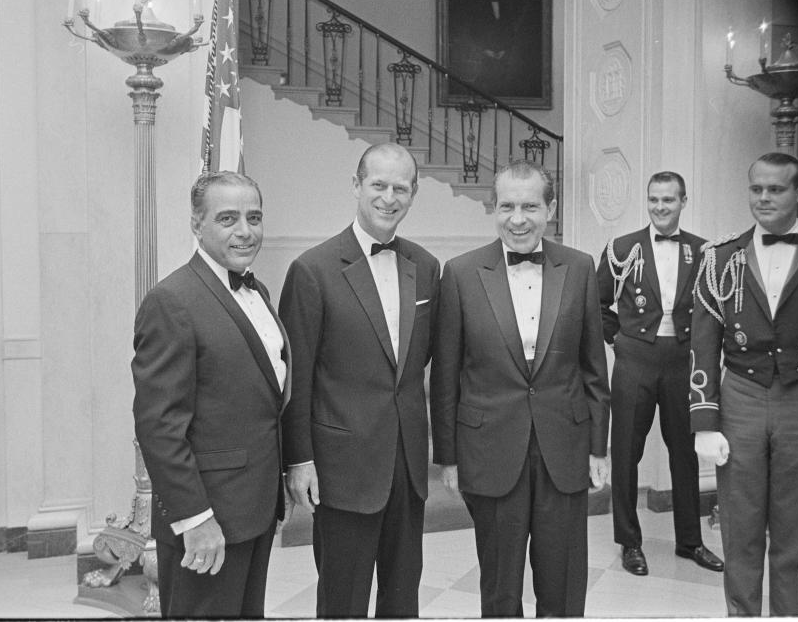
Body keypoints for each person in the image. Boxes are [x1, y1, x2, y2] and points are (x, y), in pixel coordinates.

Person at [431, 159, 610, 617]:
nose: (518, 218)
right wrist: (447, 456)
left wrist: (597, 448)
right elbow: (446, 374)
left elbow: (593, 369)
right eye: (507, 205)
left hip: (564, 450)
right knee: (499, 588)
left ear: (550, 209)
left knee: (565, 584)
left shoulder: (580, 267)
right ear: (494, 209)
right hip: (489, 449)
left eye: (530, 206)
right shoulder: (460, 273)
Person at [278, 142, 440, 617]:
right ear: (356, 186)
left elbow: (424, 362)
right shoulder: (312, 270)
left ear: (413, 194)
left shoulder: (427, 267)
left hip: (407, 468)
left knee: (402, 598)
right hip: (341, 469)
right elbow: (298, 377)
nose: (389, 198)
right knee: (343, 601)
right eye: (379, 185)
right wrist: (300, 460)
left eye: (401, 188)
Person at [690, 152, 798, 615]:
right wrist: (704, 421)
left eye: (776, 189)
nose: (763, 198)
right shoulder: (720, 256)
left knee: (795, 532)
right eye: (756, 189)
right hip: (740, 394)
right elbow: (702, 345)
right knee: (738, 529)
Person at [132, 171, 290, 618]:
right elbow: (159, 425)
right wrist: (195, 519)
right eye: (228, 218)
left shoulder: (257, 290)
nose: (245, 230)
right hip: (208, 519)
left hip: (253, 510)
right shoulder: (173, 300)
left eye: (254, 217)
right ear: (197, 225)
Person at [596, 172, 723, 576]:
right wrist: (622, 342)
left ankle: (690, 541)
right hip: (635, 362)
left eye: (668, 200)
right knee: (626, 453)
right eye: (654, 200)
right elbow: (596, 304)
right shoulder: (622, 248)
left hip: (682, 364)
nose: (660, 207)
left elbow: (712, 313)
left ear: (684, 201)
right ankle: (629, 542)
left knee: (685, 453)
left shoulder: (704, 251)